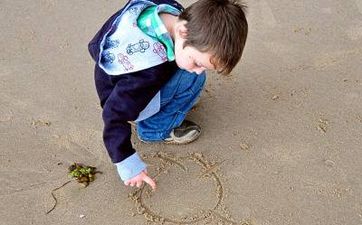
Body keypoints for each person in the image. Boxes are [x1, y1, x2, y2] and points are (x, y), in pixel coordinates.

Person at [88, 0, 248, 190]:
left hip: (115, 77)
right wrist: (127, 163)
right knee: (193, 80)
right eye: (197, 62)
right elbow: (113, 114)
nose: (198, 69)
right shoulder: (148, 70)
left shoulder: (169, 9)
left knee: (187, 72)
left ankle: (161, 104)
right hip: (125, 97)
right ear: (183, 32)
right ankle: (154, 130)